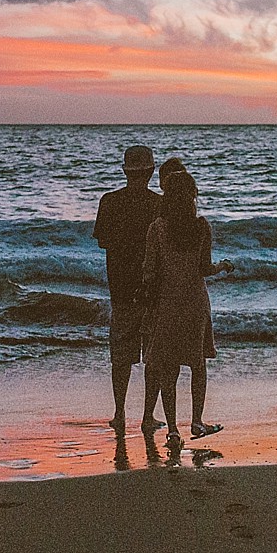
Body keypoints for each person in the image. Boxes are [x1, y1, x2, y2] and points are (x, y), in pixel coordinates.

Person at [141, 169, 234, 444]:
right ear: (193, 196)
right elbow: (205, 268)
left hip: (167, 303)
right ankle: (196, 421)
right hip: (195, 302)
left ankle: (172, 429)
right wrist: (224, 266)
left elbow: (149, 272)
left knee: (169, 368)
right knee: (197, 363)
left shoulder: (157, 228)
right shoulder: (202, 226)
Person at [92, 145, 163, 433]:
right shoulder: (159, 205)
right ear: (150, 172)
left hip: (120, 288)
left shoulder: (109, 201)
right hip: (151, 290)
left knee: (121, 357)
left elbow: (102, 241)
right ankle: (148, 416)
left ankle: (119, 413)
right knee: (154, 356)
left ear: (124, 170)